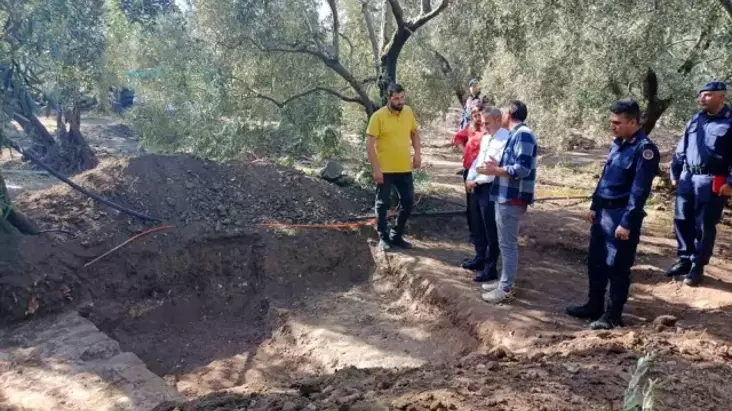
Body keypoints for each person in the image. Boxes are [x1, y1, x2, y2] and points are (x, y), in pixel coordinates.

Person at [566, 99, 660, 330]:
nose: (613, 126)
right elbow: (605, 179)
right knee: (596, 262)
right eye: (611, 122)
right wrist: (594, 206)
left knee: (616, 267)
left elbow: (639, 191)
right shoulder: (618, 144)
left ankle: (613, 315)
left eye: (618, 122)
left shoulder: (644, 149)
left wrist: (627, 222)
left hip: (621, 216)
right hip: (604, 214)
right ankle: (593, 305)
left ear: (633, 122)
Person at [666, 81, 732, 286]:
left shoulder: (730, 122)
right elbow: (681, 147)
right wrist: (675, 171)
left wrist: (731, 182)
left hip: (712, 180)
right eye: (701, 94)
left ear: (722, 97)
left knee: (704, 225)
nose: (702, 98)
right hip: (687, 177)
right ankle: (684, 259)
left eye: (708, 95)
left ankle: (697, 265)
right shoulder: (696, 119)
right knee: (681, 218)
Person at [476, 100, 538, 303]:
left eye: (502, 112)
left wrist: (496, 170)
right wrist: (498, 166)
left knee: (508, 245)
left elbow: (522, 168)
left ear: (509, 114)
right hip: (504, 196)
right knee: (505, 244)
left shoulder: (523, 134)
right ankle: (504, 281)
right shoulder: (516, 135)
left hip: (512, 198)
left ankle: (505, 289)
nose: (499, 116)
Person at [366, 83, 422, 251]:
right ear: (388, 98)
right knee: (382, 204)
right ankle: (383, 237)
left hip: (404, 167)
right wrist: (376, 169)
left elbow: (414, 132)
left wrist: (418, 153)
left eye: (402, 97)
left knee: (408, 201)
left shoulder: (408, 112)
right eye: (396, 98)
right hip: (385, 170)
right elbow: (369, 144)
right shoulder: (378, 116)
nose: (400, 101)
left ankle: (396, 236)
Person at [464, 106, 510, 282]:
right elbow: (478, 160)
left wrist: (477, 180)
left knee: (490, 229)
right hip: (476, 185)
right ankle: (480, 258)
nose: (485, 127)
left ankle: (490, 268)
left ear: (498, 120)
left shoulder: (505, 139)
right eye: (483, 123)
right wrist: (470, 177)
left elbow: (494, 166)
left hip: (490, 187)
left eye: (488, 123)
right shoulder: (485, 138)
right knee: (477, 225)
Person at [453, 102, 487, 254]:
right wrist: (465, 150)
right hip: (469, 168)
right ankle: (474, 234)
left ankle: (484, 234)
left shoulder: (488, 128)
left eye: (479, 114)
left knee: (483, 203)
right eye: (474, 115)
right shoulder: (469, 128)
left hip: (484, 170)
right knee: (471, 203)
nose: (477, 118)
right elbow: (458, 139)